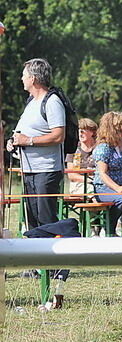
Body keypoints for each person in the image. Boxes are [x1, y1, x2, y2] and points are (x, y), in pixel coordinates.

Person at [6, 58, 66, 230]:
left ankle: (51, 254)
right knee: (32, 219)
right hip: (29, 170)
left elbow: (58, 136)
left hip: (46, 171)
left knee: (46, 219)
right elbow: (22, 131)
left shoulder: (53, 102)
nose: (21, 79)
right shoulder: (31, 102)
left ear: (33, 78)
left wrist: (28, 141)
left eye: (24, 75)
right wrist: (13, 141)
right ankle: (35, 253)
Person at [65, 117, 98, 195]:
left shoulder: (100, 148)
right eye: (79, 131)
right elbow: (71, 175)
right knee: (92, 191)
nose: (80, 133)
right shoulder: (73, 148)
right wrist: (89, 180)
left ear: (92, 132)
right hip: (78, 185)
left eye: (83, 131)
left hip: (99, 183)